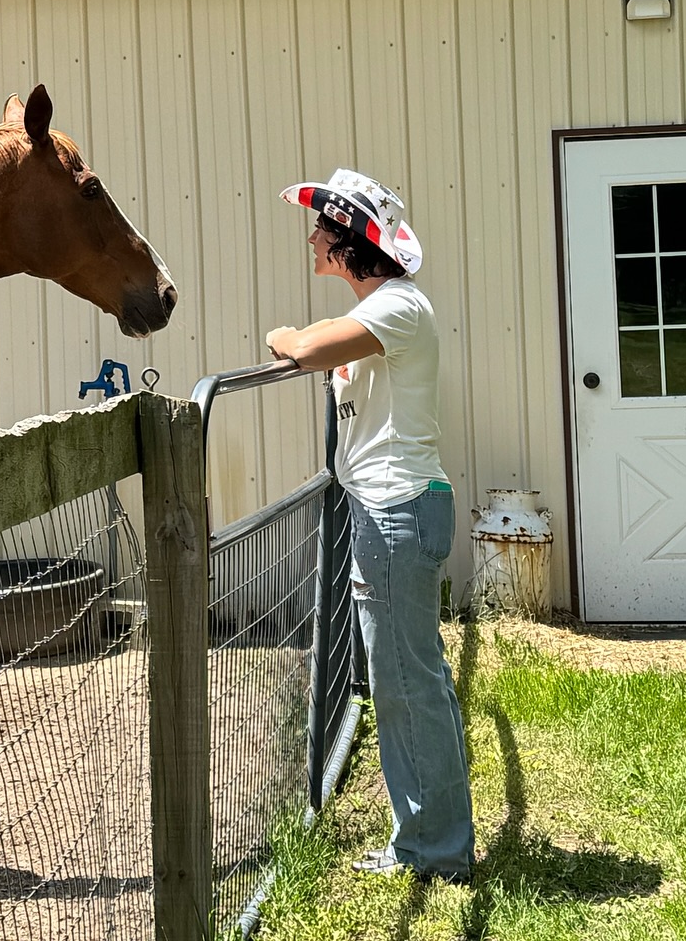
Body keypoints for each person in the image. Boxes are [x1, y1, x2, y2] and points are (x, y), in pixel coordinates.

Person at [265, 168, 475, 884]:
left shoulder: (398, 309)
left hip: (397, 512)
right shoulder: (380, 309)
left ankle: (437, 851)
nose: (314, 234)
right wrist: (299, 334)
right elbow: (321, 339)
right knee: (404, 680)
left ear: (353, 241)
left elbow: (305, 348)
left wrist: (287, 334)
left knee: (407, 683)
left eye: (326, 224)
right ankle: (426, 839)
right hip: (388, 509)